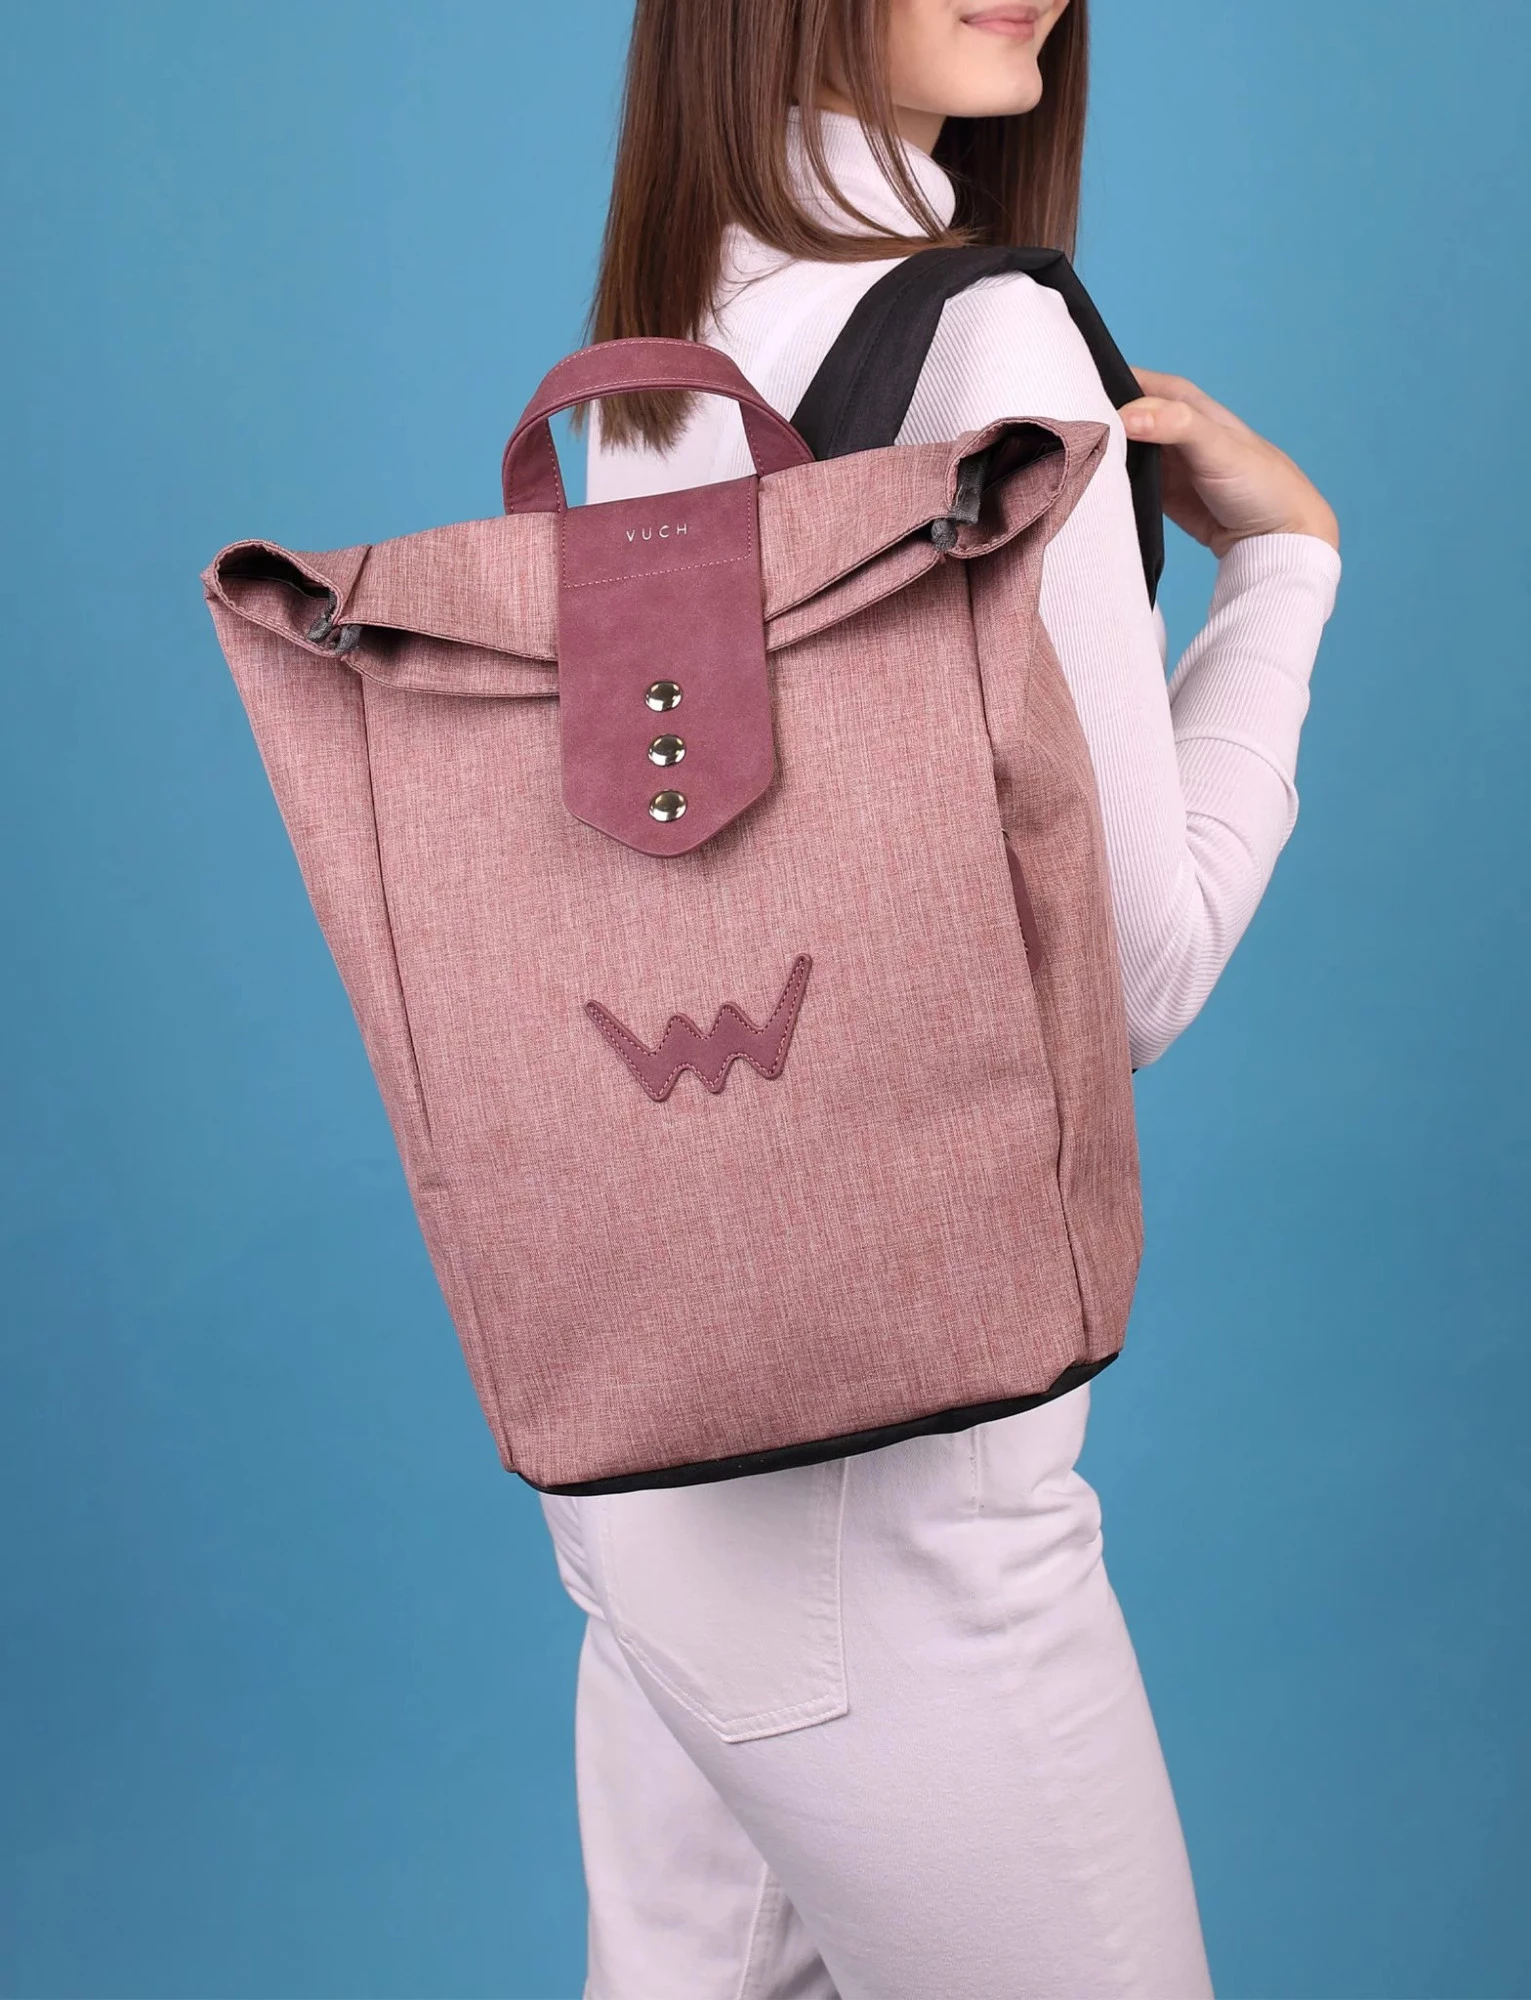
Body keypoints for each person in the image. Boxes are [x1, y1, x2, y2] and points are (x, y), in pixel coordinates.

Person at [538, 3, 1341, 1993]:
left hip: (649, 1458)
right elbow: (1129, 972)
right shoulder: (992, 338)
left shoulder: (667, 348)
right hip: (890, 1495)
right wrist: (1287, 569)